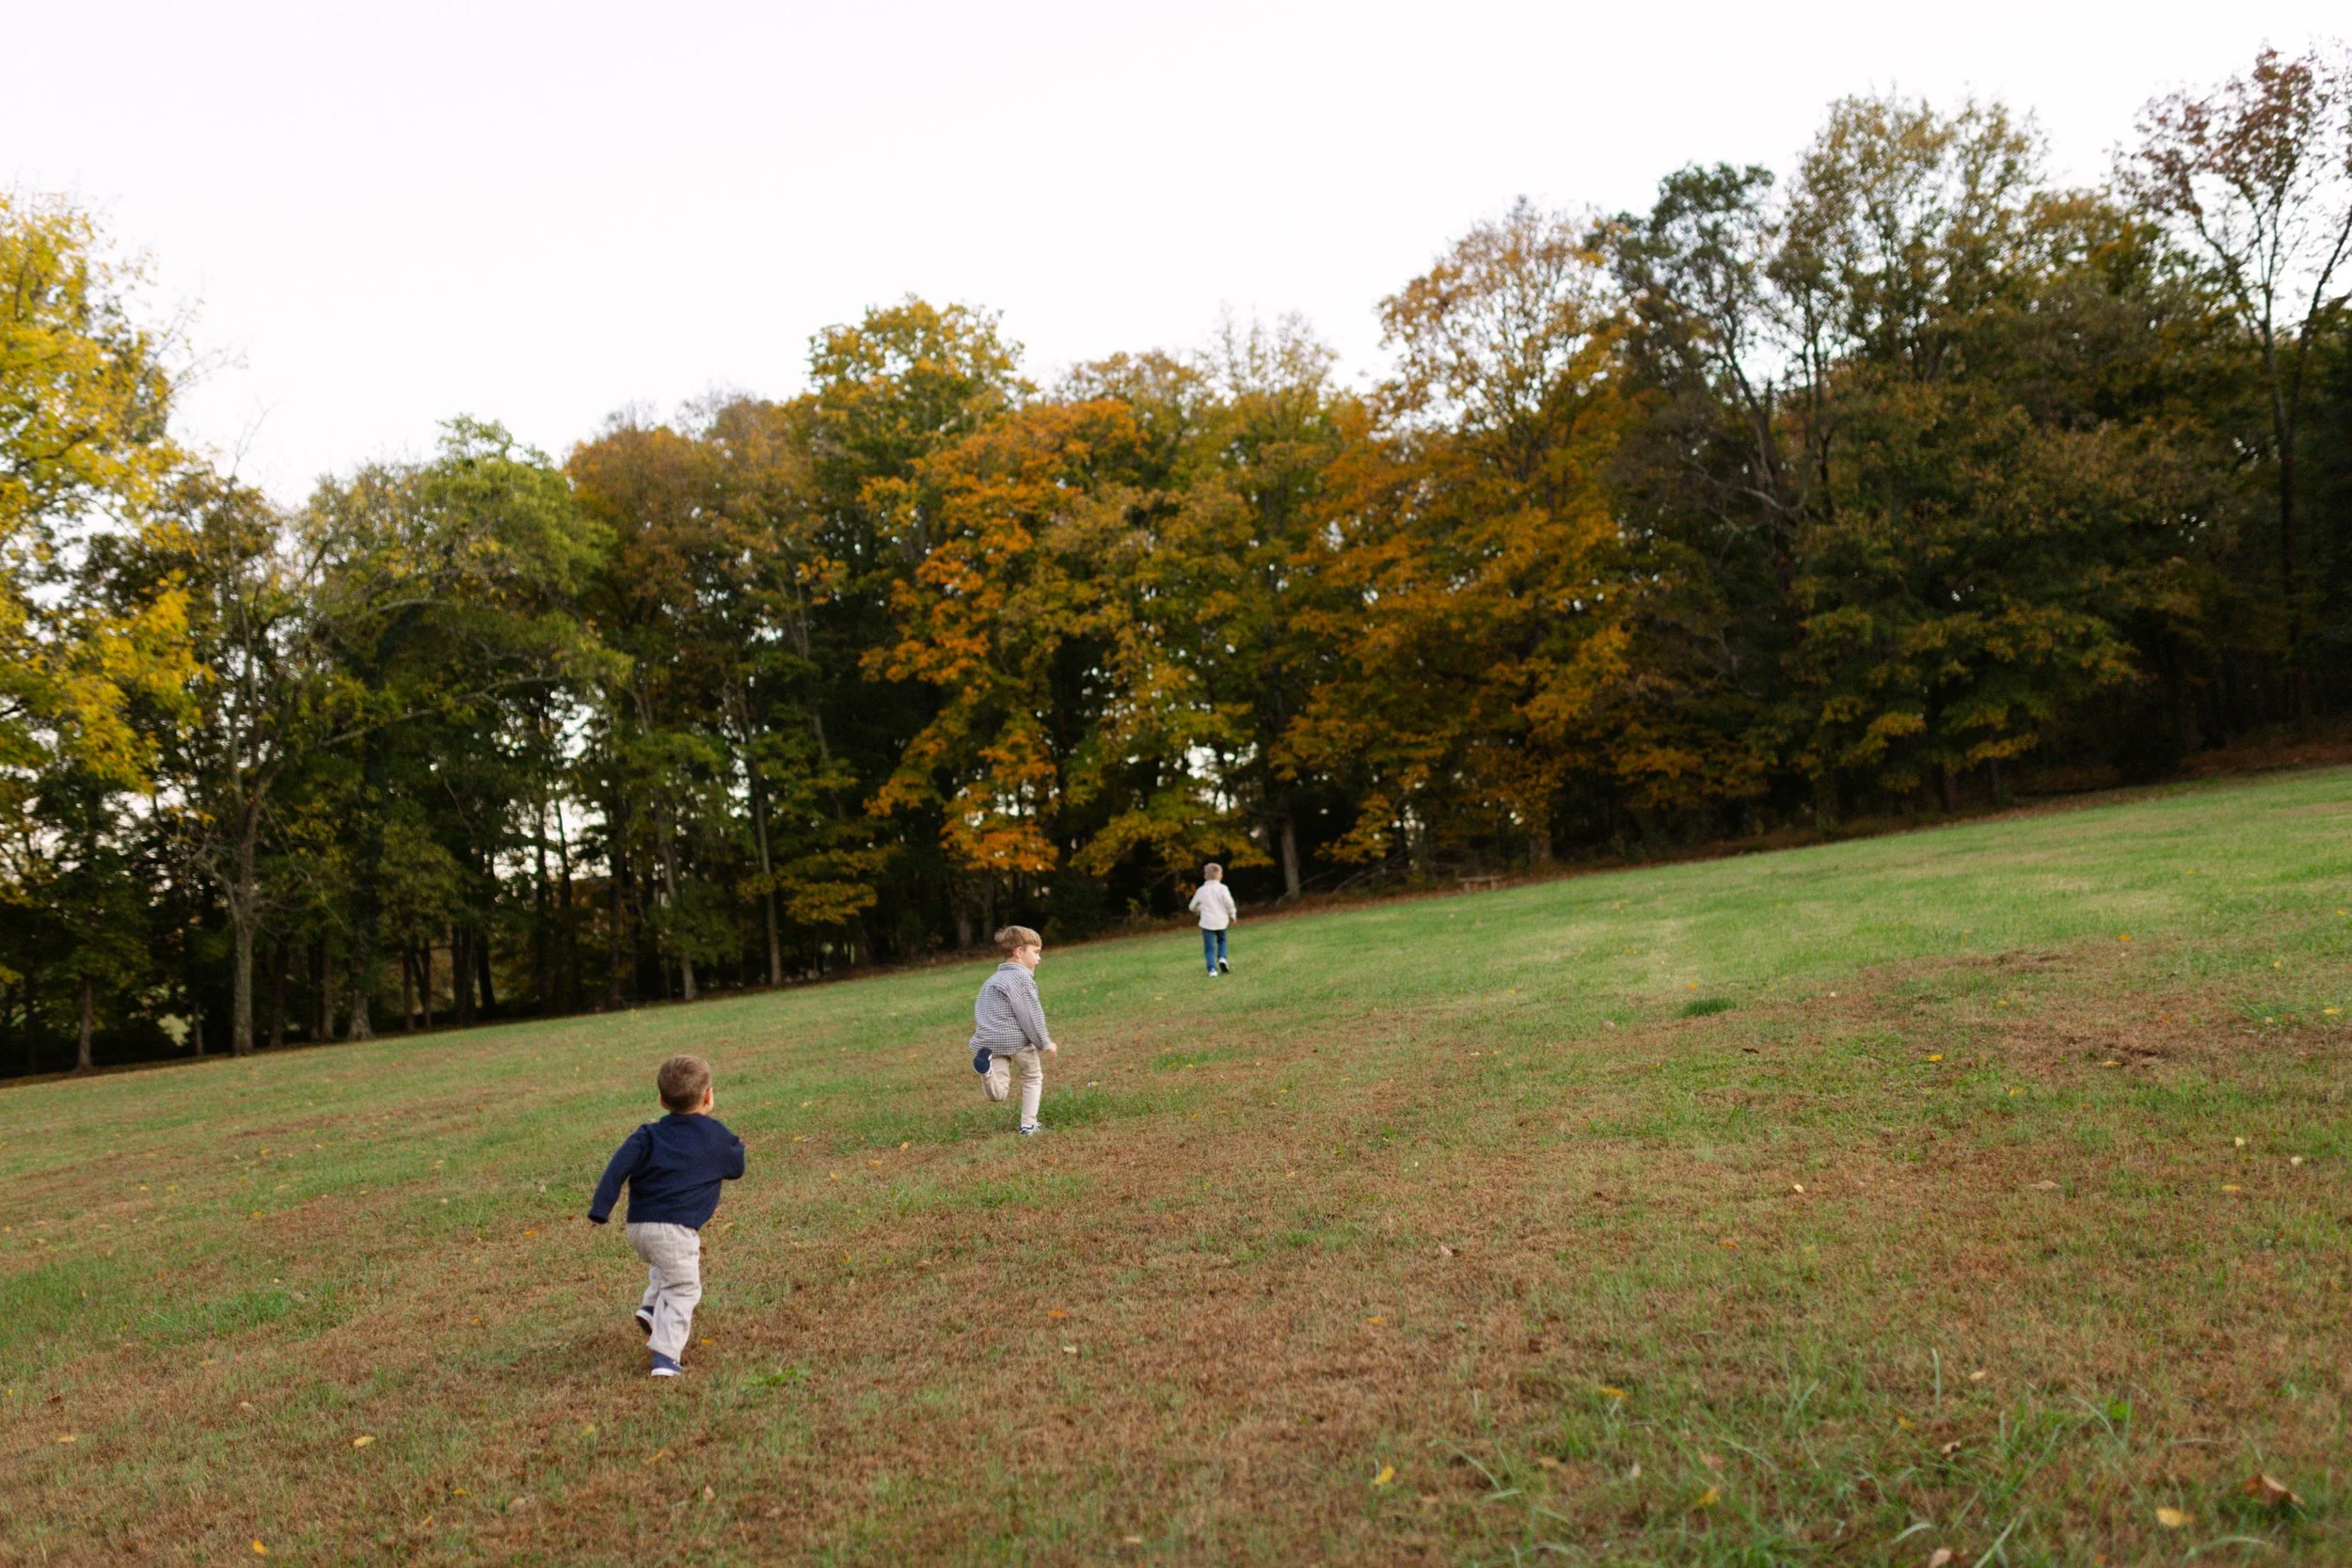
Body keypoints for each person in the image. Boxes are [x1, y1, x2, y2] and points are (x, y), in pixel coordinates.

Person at [587, 1053, 745, 1378]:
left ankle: (649, 1309)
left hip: (639, 1227)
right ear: (708, 1096)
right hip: (676, 1229)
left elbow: (616, 1169)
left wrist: (600, 1210)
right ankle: (665, 1356)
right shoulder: (714, 1135)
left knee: (665, 1266)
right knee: (684, 1288)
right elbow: (736, 1167)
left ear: (661, 1100)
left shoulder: (647, 1134)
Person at [969, 924, 1057, 1135]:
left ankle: (986, 1070)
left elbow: (981, 1012)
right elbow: (1031, 1015)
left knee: (998, 1094)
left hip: (989, 1045)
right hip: (1014, 1041)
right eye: (1035, 952)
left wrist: (985, 1039)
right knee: (1032, 1076)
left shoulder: (991, 981)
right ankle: (1028, 1124)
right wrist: (1044, 1042)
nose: (1039, 958)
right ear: (1019, 952)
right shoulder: (1021, 979)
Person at [1189, 863, 1237, 976]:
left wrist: (1199, 910)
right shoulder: (1223, 888)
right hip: (1221, 921)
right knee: (1222, 941)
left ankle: (1212, 970)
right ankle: (1222, 958)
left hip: (1207, 922)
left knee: (1209, 948)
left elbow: (1192, 906)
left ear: (1205, 876)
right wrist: (1232, 915)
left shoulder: (1201, 890)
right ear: (1220, 876)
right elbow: (1229, 903)